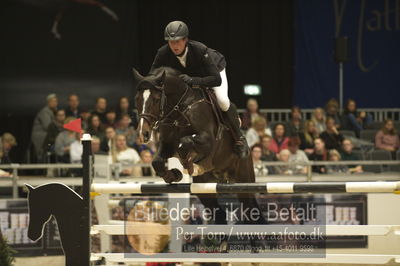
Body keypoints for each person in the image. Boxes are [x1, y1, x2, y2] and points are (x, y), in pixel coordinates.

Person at [149, 20, 248, 158]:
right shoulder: (162, 53)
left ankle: (240, 139)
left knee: (223, 100)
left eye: (178, 41)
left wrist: (193, 80)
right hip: (189, 78)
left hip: (213, 72)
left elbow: (216, 80)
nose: (175, 46)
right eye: (171, 42)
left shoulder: (200, 50)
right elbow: (152, 77)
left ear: (186, 40)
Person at [31, 93, 58, 161]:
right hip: (41, 137)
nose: (55, 103)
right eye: (54, 101)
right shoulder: (45, 112)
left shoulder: (52, 111)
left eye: (56, 101)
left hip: (46, 137)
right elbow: (48, 126)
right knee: (41, 156)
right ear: (49, 102)